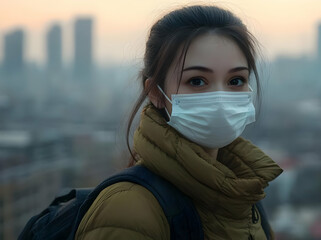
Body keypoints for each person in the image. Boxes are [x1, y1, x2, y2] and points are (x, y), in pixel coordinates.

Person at [75, 4, 283, 240]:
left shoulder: (246, 197)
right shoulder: (127, 210)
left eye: (235, 80)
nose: (220, 100)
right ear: (155, 92)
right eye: (197, 81)